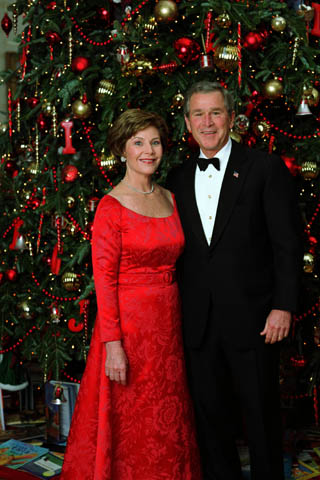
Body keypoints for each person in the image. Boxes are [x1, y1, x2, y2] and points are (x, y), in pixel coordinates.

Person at [166, 81, 302, 480]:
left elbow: (287, 245)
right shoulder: (175, 177)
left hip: (256, 318)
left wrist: (284, 306)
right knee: (210, 421)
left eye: (215, 113)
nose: (207, 123)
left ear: (231, 117)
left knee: (260, 417)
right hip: (198, 322)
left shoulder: (264, 167)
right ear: (187, 122)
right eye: (198, 114)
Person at [61, 109, 201, 480]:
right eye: (138, 142)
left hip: (168, 325)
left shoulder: (171, 199)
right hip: (128, 328)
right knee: (130, 415)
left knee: (165, 411)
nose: (148, 150)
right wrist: (113, 345)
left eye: (154, 142)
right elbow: (103, 283)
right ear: (122, 149)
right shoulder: (111, 207)